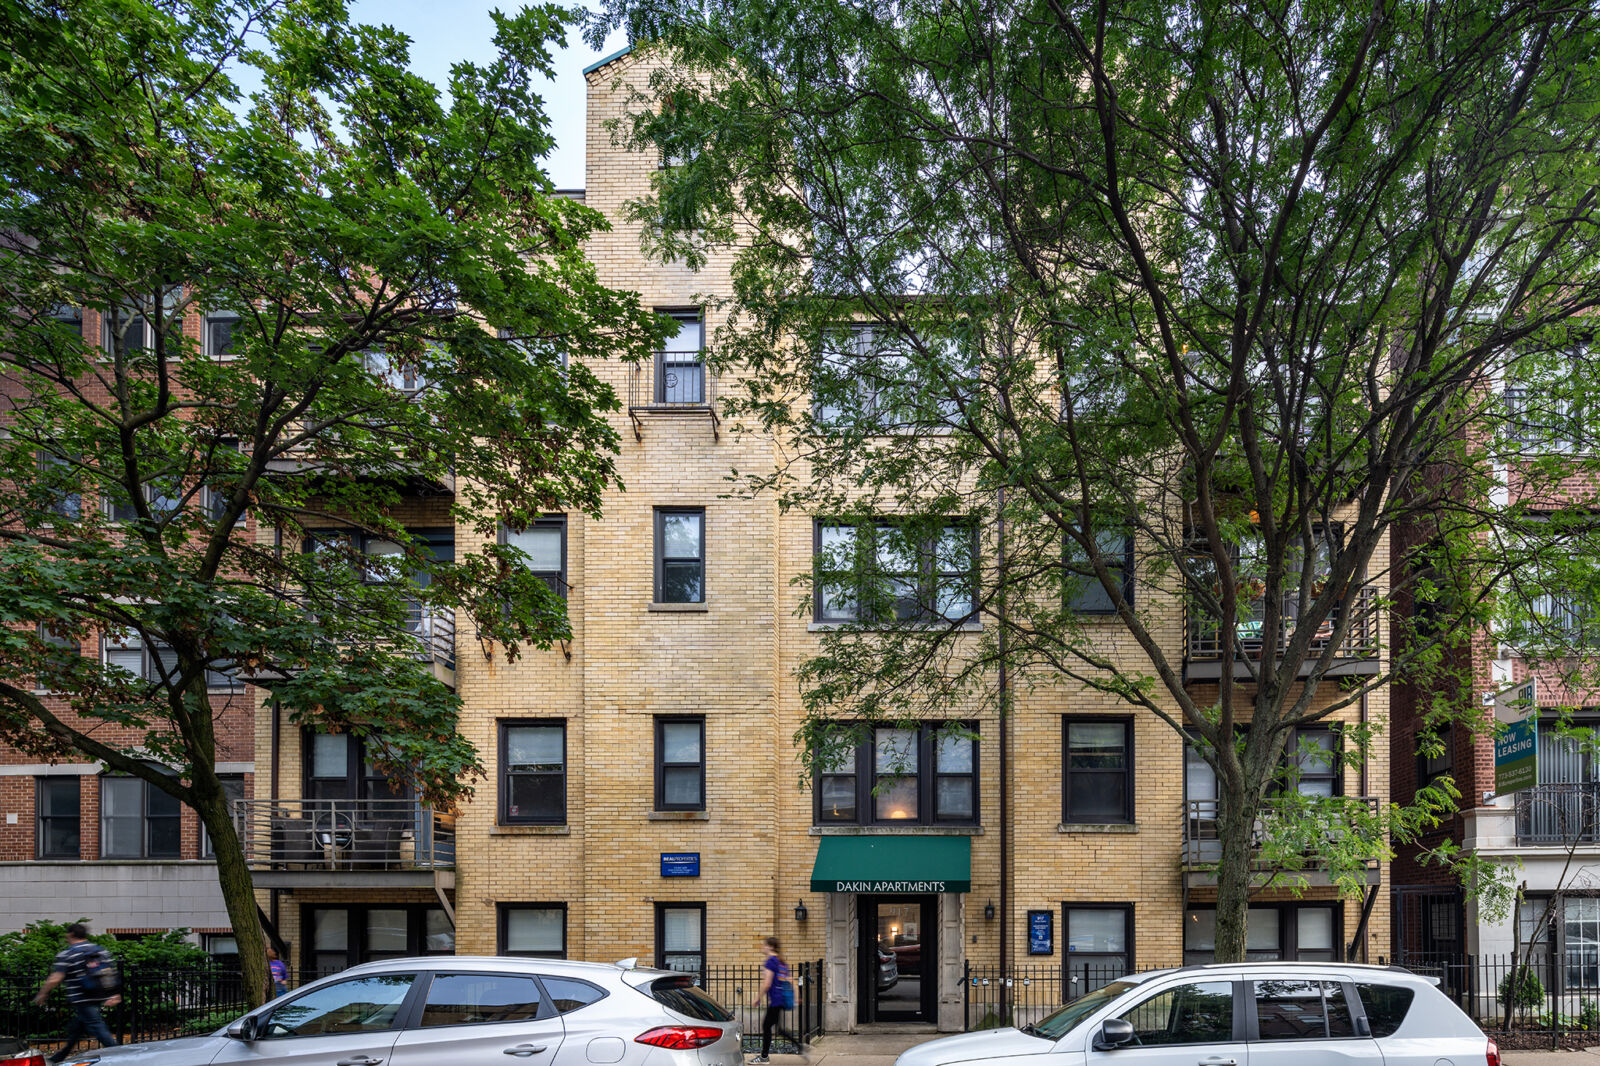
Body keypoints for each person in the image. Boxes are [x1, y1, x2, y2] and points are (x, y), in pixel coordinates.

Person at [32, 922, 121, 1064]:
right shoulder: (100, 950)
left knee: (97, 1026)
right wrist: (115, 993)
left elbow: (56, 977)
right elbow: (111, 973)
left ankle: (120, 1054)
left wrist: (43, 993)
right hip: (99, 994)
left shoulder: (69, 953)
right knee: (77, 1028)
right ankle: (59, 1057)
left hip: (82, 997)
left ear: (71, 935)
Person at [752, 936, 805, 1064]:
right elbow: (792, 981)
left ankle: (764, 1057)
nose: (762, 947)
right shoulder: (782, 962)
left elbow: (767, 984)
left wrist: (757, 998)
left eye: (764, 945)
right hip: (781, 999)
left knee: (766, 1026)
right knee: (777, 1028)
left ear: (770, 947)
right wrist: (797, 996)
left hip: (775, 1000)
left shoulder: (770, 962)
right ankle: (799, 1046)